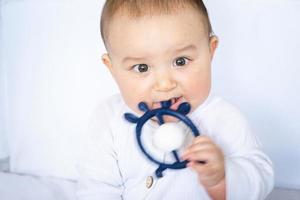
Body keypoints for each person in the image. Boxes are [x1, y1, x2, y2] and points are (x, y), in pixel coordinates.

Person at [76, 1, 274, 199]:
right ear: (112, 69)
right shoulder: (109, 119)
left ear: (210, 51)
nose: (164, 84)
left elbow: (261, 176)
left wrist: (222, 177)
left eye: (180, 61)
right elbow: (96, 187)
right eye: (142, 68)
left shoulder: (225, 119)